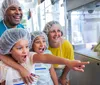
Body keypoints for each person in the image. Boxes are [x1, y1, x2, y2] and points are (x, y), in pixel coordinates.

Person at [0, 28, 89, 85]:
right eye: (19, 48)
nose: (25, 51)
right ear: (9, 49)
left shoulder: (29, 58)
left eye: (27, 47)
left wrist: (67, 62)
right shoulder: (3, 67)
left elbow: (46, 58)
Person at [43, 21, 74, 85]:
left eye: (59, 31)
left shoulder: (67, 45)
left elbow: (69, 63)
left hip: (63, 73)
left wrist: (63, 77)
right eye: (53, 31)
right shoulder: (44, 46)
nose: (57, 34)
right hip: (47, 74)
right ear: (47, 33)